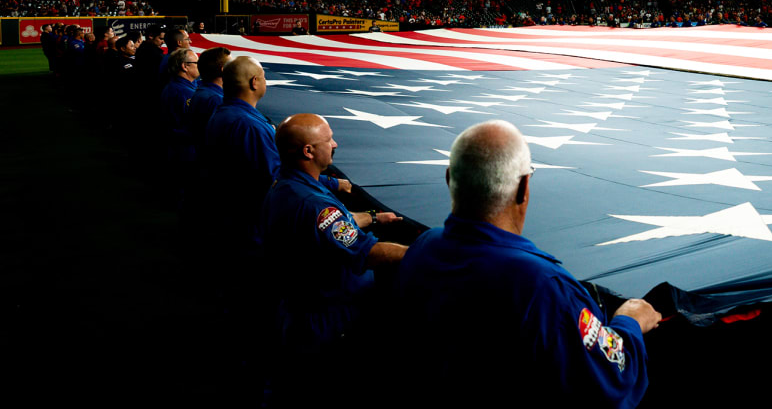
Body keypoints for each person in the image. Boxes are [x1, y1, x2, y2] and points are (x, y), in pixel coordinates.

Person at [395, 121, 660, 406]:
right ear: (524, 187)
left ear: (449, 179)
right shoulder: (543, 288)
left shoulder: (422, 248)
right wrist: (630, 323)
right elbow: (612, 379)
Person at [259, 114, 406, 357]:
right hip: (327, 317)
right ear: (309, 151)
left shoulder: (286, 185)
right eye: (329, 140)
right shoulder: (315, 205)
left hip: (297, 306)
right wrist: (420, 250)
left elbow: (335, 226)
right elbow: (366, 253)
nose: (335, 144)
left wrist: (373, 217)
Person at [204, 57, 350, 250]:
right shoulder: (250, 126)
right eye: (263, 77)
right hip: (249, 222)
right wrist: (332, 183)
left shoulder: (225, 114)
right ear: (254, 82)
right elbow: (275, 177)